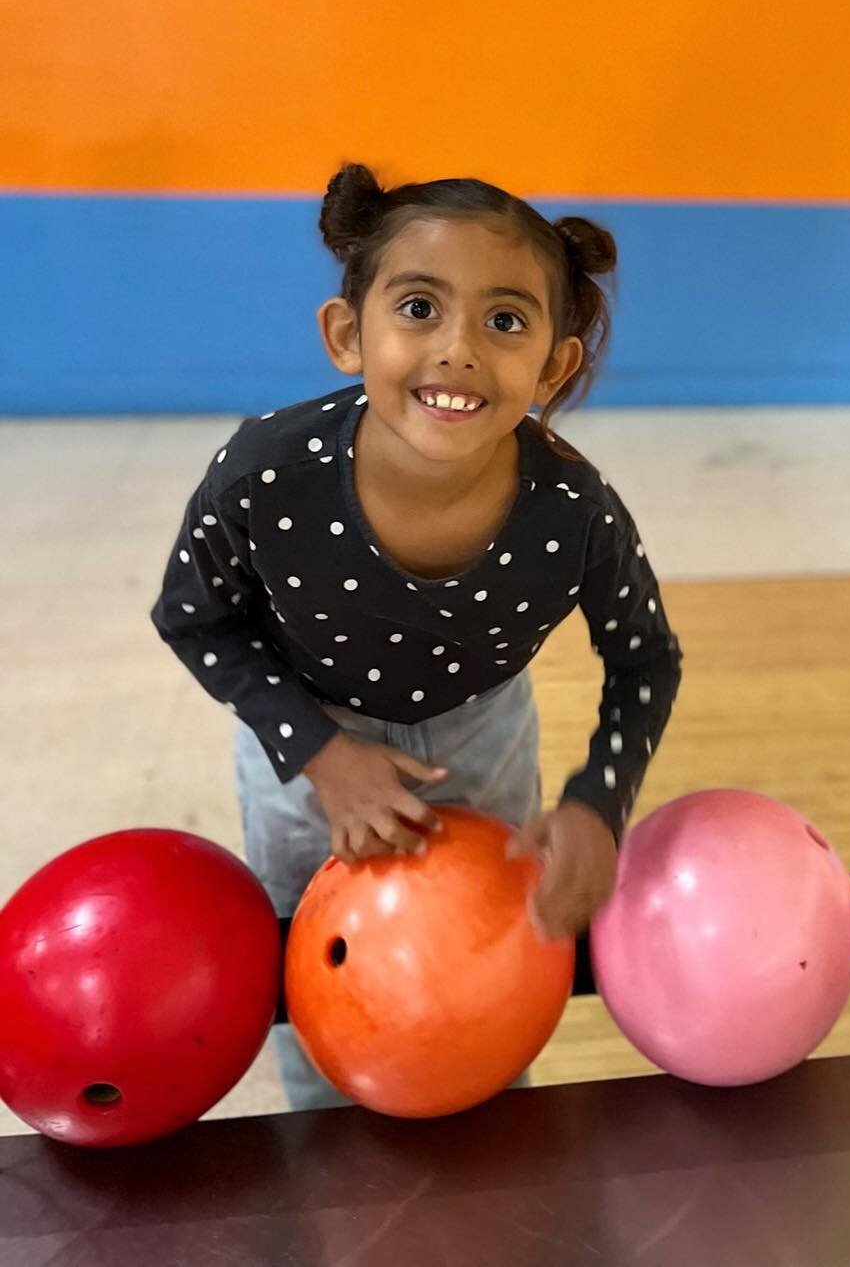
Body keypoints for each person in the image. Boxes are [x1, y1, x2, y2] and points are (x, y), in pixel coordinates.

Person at [152, 162, 682, 1107]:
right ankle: (323, 1137)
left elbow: (644, 654)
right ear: (348, 334)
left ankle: (492, 1148)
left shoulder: (574, 508)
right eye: (419, 308)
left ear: (554, 363)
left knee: (483, 981)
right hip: (305, 750)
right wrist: (320, 754)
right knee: (316, 970)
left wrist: (600, 803)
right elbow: (194, 616)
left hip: (484, 740)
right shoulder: (266, 473)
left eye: (506, 321)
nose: (460, 350)